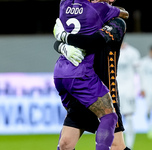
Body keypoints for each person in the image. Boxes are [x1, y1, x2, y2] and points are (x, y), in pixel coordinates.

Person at [53, 2, 130, 150]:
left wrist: (64, 37)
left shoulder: (117, 23)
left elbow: (93, 42)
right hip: (82, 84)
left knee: (116, 146)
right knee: (65, 144)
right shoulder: (84, 16)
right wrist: (61, 46)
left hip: (105, 87)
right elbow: (59, 42)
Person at [117, 42, 141, 149]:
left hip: (128, 90)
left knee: (129, 118)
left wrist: (141, 87)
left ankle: (129, 146)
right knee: (112, 120)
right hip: (113, 90)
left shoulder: (133, 52)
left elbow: (139, 71)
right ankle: (115, 145)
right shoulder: (109, 49)